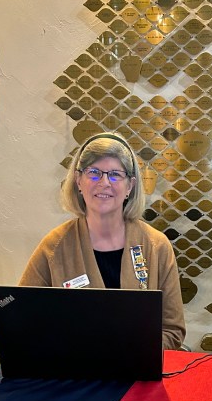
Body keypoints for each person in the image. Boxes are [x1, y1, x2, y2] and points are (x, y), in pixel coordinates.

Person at [19, 132, 186, 350]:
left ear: (130, 186)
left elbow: (173, 330)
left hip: (138, 375)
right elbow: (21, 318)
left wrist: (133, 352)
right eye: (94, 173)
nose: (104, 183)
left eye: (115, 174)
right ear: (78, 181)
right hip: (76, 376)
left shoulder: (157, 246)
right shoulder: (53, 247)